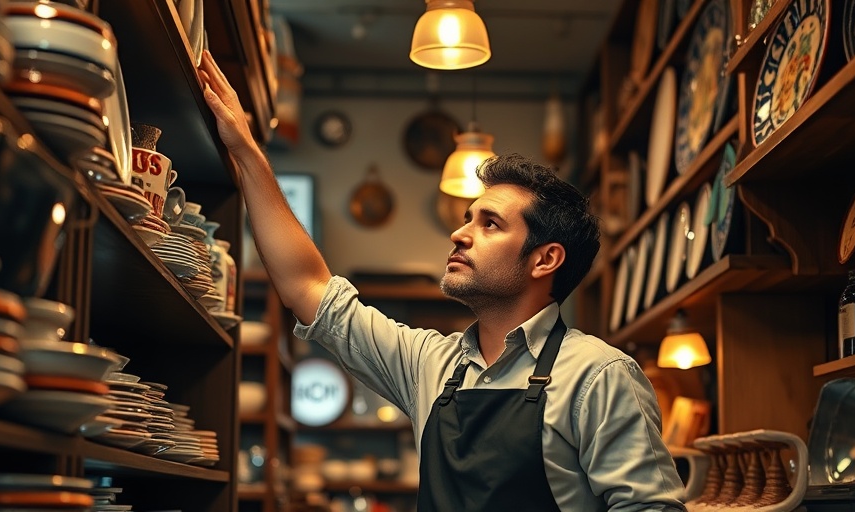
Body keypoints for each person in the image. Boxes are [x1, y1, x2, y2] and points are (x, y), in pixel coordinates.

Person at [198, 50, 687, 511]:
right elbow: (307, 287)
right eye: (467, 218)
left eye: (489, 224)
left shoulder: (599, 375)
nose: (459, 233)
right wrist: (247, 152)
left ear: (545, 260)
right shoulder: (430, 364)